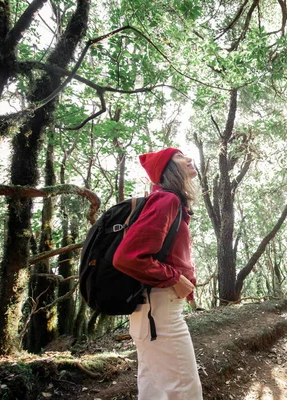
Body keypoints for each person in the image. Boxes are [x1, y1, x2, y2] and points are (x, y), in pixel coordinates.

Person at [113, 147, 203, 400]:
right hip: (159, 311)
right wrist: (175, 279)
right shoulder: (167, 200)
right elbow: (128, 256)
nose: (188, 159)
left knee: (154, 389)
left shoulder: (170, 202)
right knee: (185, 390)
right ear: (167, 168)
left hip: (153, 310)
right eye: (179, 156)